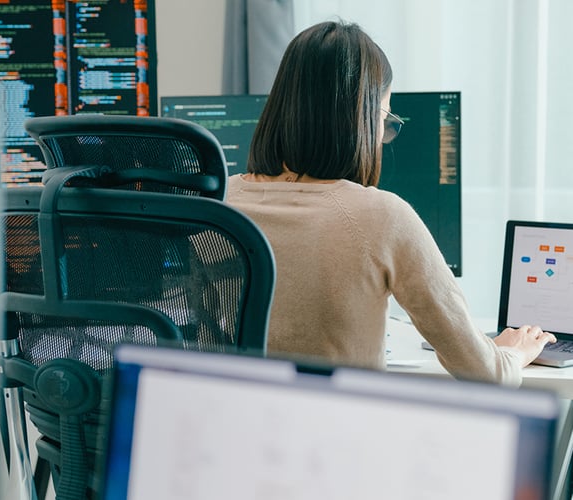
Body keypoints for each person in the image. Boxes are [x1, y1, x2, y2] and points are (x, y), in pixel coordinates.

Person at [225, 20, 556, 386]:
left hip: (229, 428)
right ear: (362, 120)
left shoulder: (220, 202)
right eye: (385, 119)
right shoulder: (382, 216)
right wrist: (514, 352)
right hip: (335, 436)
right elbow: (484, 373)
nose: (383, 135)